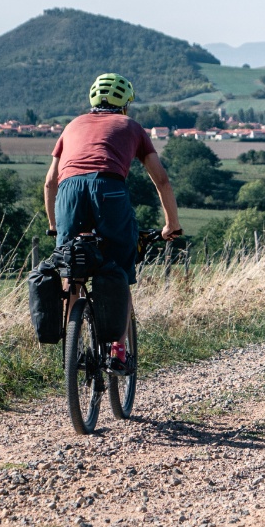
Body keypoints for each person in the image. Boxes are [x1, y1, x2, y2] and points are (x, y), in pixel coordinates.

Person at [44, 72, 182, 366]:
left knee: (71, 268)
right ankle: (117, 352)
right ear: (125, 104)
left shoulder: (73, 125)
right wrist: (171, 224)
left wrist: (54, 225)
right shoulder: (131, 126)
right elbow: (162, 179)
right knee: (119, 268)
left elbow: (49, 183)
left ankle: (73, 350)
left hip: (68, 192)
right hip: (109, 189)